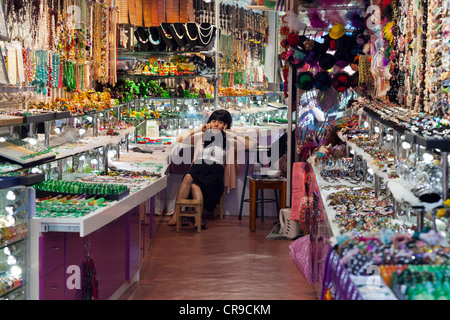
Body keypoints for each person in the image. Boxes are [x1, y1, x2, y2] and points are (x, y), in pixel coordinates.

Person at [168, 109, 257, 227]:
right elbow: (180, 139)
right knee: (192, 182)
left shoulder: (229, 141)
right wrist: (200, 128)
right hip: (198, 168)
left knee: (190, 178)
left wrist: (231, 132)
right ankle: (186, 218)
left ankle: (178, 216)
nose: (216, 124)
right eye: (213, 121)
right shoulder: (202, 137)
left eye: (220, 122)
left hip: (214, 173)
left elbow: (252, 144)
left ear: (225, 125)